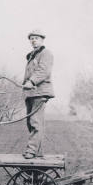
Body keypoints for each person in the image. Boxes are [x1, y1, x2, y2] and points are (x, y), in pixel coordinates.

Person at [22, 29, 55, 159]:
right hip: (31, 93)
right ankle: (36, 151)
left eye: (36, 38)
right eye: (31, 38)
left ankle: (31, 150)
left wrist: (31, 81)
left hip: (39, 92)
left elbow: (43, 71)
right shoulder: (32, 55)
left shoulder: (46, 53)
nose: (33, 40)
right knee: (31, 123)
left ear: (42, 40)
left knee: (35, 122)